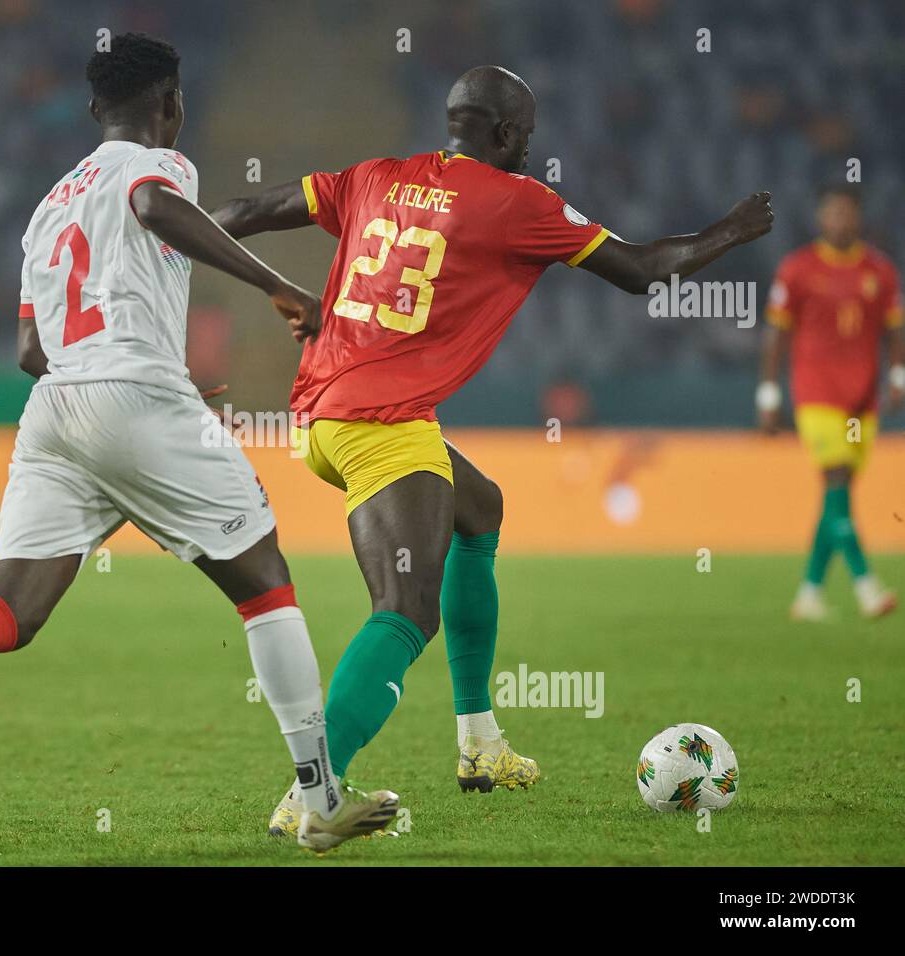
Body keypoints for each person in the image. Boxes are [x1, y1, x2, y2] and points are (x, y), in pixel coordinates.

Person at [0, 33, 398, 853]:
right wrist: (278, 285)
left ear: (93, 109)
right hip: (134, 398)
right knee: (266, 586)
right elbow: (156, 207)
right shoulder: (161, 165)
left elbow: (27, 350)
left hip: (58, 409)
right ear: (171, 106)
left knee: (10, 606)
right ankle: (320, 796)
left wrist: (132, 378)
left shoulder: (49, 205)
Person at [210, 65, 773, 834]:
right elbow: (643, 270)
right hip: (383, 421)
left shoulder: (374, 176)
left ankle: (479, 744)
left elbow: (246, 208)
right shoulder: (518, 203)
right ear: (507, 135)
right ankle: (317, 791)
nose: (530, 152)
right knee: (405, 609)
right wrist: (730, 232)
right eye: (527, 139)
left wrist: (162, 247)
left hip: (321, 412)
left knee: (481, 511)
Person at [759, 184, 901, 621]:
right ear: (821, 218)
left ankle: (809, 594)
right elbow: (777, 334)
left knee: (835, 496)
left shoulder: (880, 270)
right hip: (816, 394)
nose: (840, 220)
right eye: (832, 212)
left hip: (863, 399)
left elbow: (896, 331)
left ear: (857, 218)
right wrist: (769, 392)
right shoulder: (798, 269)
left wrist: (898, 376)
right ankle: (866, 586)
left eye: (847, 213)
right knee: (837, 477)